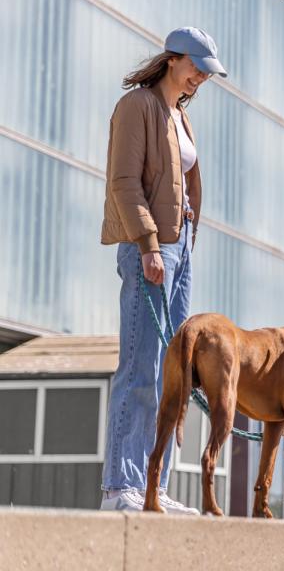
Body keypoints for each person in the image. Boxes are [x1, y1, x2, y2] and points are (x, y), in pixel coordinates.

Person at [99, 27, 227, 513]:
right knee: (139, 367)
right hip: (150, 249)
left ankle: (155, 488)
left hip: (181, 251)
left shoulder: (180, 116)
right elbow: (125, 183)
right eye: (195, 67)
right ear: (173, 59)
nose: (200, 77)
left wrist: (184, 243)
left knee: (172, 374)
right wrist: (150, 245)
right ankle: (120, 488)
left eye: (206, 72)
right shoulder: (138, 107)